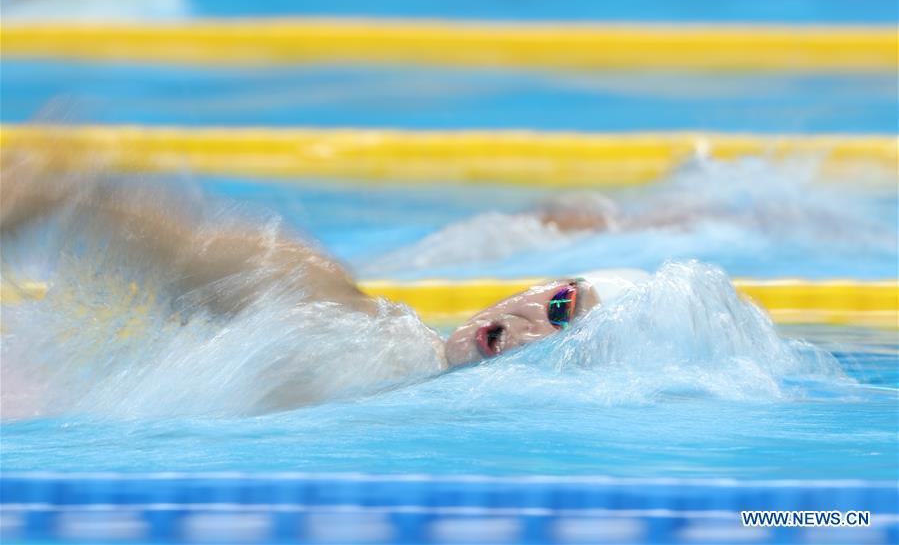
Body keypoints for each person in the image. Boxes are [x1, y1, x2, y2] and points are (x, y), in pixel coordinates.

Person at [0, 159, 643, 399]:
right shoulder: (347, 324)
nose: (538, 333)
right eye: (560, 306)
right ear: (528, 287)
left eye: (566, 345)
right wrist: (55, 195)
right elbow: (171, 241)